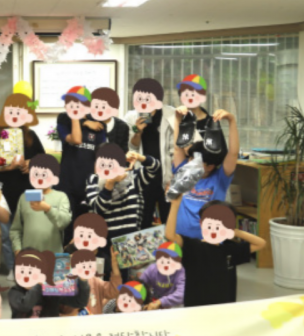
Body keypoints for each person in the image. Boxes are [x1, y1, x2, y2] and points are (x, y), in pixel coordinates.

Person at [165, 196, 265, 307]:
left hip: (224, 307)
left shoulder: (230, 249)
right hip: (195, 307)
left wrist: (235, 232)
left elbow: (260, 243)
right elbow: (170, 235)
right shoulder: (192, 246)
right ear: (201, 223)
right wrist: (175, 205)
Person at [0, 93, 45, 278]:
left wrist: (31, 163)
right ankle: (13, 269)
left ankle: (30, 267)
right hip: (4, 192)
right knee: (6, 235)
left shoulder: (30, 135)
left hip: (29, 191)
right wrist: (7, 167)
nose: (14, 115)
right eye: (11, 111)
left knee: (30, 232)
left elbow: (43, 159)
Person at [85, 144, 160, 275]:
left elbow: (155, 167)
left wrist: (139, 157)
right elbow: (98, 208)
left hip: (129, 242)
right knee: (108, 281)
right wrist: (110, 183)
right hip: (105, 243)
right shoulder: (93, 180)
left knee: (127, 280)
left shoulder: (132, 177)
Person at [171, 106, 239, 240]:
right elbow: (178, 148)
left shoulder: (220, 178)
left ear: (210, 167)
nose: (191, 163)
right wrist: (178, 118)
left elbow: (233, 153)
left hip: (208, 240)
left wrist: (231, 120)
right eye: (190, 158)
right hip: (181, 238)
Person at [57, 86, 106, 245]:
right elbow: (76, 139)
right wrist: (81, 121)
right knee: (68, 227)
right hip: (68, 183)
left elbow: (101, 155)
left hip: (89, 184)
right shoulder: (63, 119)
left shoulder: (98, 124)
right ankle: (66, 258)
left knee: (87, 228)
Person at [125, 78, 176, 228]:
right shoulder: (131, 116)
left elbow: (175, 149)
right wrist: (137, 131)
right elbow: (131, 147)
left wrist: (174, 177)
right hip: (143, 176)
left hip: (166, 176)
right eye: (139, 97)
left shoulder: (170, 114)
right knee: (142, 221)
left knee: (169, 221)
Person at [10, 154, 71, 255]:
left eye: (44, 175)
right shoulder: (24, 197)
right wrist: (18, 250)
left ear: (55, 178)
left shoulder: (61, 197)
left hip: (54, 257)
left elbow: (64, 222)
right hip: (29, 258)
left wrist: (48, 209)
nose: (39, 179)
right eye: (35, 174)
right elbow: (16, 229)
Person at [9, 248, 90, 318]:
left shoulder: (51, 290)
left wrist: (82, 280)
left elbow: (80, 302)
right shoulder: (14, 292)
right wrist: (39, 284)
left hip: (50, 330)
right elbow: (24, 306)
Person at [138, 241, 185, 309]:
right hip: (154, 302)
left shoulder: (181, 272)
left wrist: (160, 302)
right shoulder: (152, 269)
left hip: (174, 305)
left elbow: (182, 294)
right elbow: (139, 287)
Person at [91, 87, 129, 152]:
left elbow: (124, 151)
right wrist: (85, 123)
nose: (100, 110)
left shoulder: (122, 126)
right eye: (96, 106)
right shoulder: (89, 121)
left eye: (104, 107)